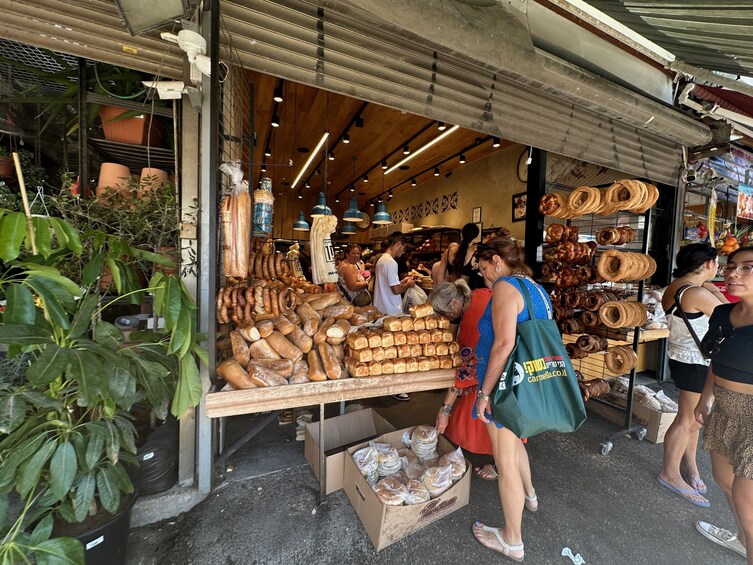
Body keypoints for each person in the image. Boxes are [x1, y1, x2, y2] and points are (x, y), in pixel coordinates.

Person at [470, 236, 543, 561]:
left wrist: (485, 394)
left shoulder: (504, 287)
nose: (485, 277)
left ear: (497, 261)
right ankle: (530, 496)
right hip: (529, 382)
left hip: (504, 385)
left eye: (484, 269)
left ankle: (512, 540)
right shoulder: (535, 288)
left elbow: (503, 345)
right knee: (515, 447)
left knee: (505, 462)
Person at [695, 246, 753, 563]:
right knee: (724, 480)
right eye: (731, 266)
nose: (732, 273)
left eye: (747, 267)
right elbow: (716, 362)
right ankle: (742, 540)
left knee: (747, 498)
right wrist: (706, 399)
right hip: (724, 410)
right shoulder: (722, 314)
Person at [658, 243, 727, 507]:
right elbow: (730, 316)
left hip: (683, 357)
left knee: (694, 418)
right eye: (717, 263)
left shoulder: (676, 286)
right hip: (695, 362)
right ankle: (670, 473)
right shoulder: (696, 293)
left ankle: (690, 466)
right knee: (688, 419)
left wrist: (708, 286)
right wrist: (710, 288)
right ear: (708, 264)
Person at [429, 280, 497, 479]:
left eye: (444, 314)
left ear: (453, 305)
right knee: (471, 410)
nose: (444, 319)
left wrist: (444, 409)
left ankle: (501, 464)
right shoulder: (478, 294)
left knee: (492, 416)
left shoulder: (471, 322)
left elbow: (463, 369)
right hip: (504, 357)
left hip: (498, 367)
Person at [373, 231, 416, 401]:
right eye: (403, 248)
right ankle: (395, 388)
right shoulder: (390, 263)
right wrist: (409, 284)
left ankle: (386, 385)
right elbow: (395, 290)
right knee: (395, 351)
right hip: (391, 310)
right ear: (398, 243)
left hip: (382, 307)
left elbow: (391, 285)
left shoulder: (381, 260)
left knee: (385, 349)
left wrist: (403, 283)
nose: (403, 252)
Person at [449, 223, 486, 290]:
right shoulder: (475, 256)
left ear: (461, 235)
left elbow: (442, 276)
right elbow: (485, 277)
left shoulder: (450, 251)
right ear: (475, 239)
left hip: (451, 293)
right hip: (467, 296)